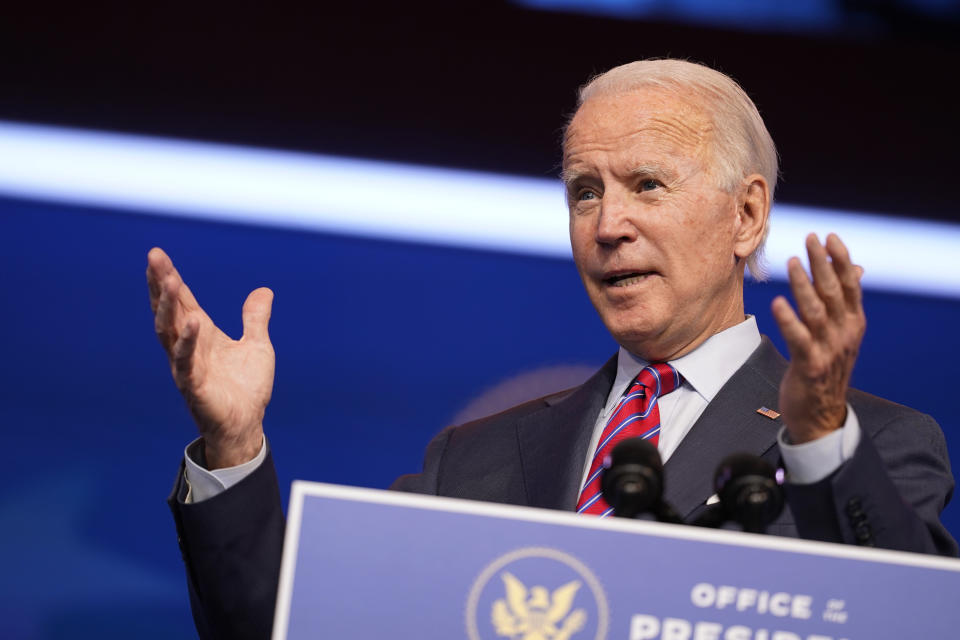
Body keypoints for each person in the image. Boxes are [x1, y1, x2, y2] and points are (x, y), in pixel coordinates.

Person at [147, 59, 956, 639]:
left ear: (746, 216)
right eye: (584, 191)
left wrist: (817, 442)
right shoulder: (475, 462)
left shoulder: (875, 445)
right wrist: (235, 446)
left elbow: (908, 624)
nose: (608, 226)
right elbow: (283, 626)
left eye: (647, 185)